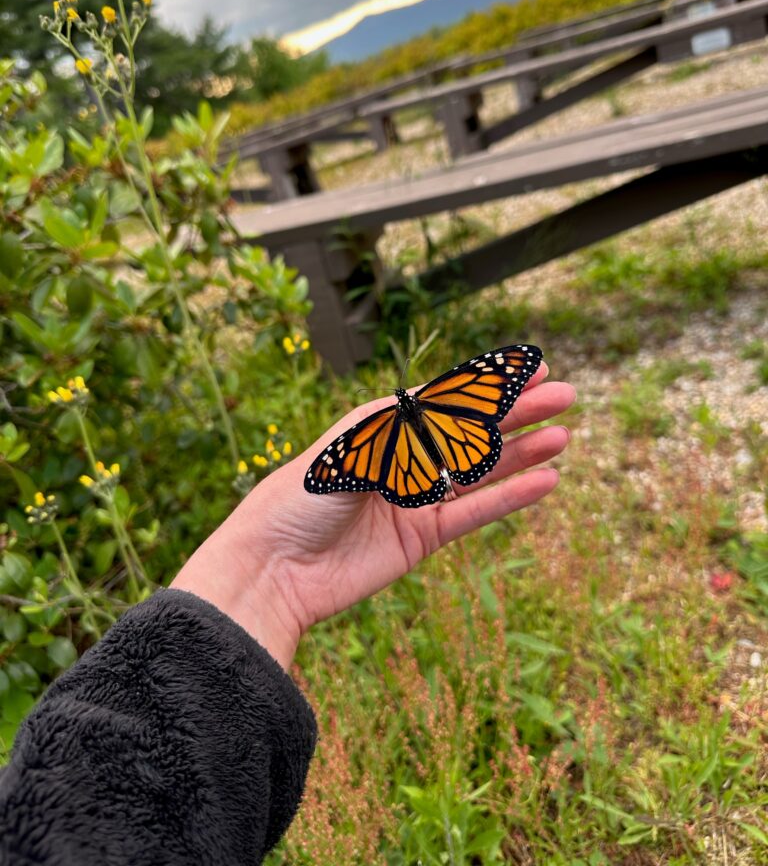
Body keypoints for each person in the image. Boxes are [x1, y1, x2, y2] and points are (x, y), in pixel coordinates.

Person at [0, 363, 575, 865]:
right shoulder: (391, 431)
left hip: (415, 468)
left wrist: (265, 571)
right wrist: (269, 569)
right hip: (450, 446)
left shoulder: (379, 435)